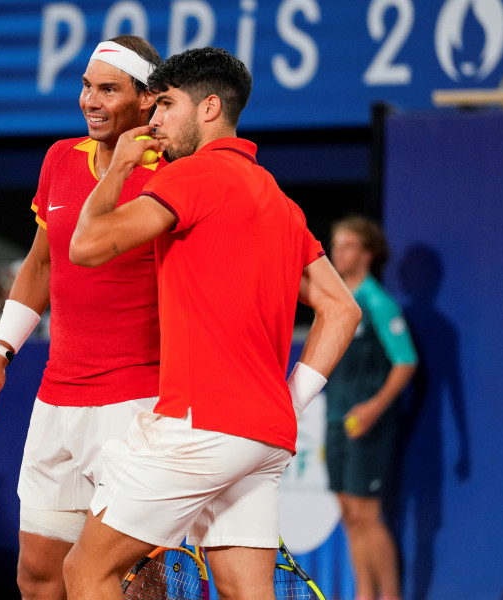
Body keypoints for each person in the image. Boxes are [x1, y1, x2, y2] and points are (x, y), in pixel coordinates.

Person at [64, 47, 362, 600]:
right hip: (261, 436)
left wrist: (123, 165)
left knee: (85, 572)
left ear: (209, 108)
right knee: (245, 591)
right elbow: (342, 310)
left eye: (167, 106)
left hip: (199, 426)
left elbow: (84, 246)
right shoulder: (280, 201)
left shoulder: (193, 178)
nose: (152, 121)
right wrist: (287, 400)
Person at [0, 35, 164, 600]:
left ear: (146, 99)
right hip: (58, 398)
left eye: (108, 88)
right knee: (38, 576)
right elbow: (38, 265)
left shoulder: (172, 174)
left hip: (136, 399)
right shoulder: (59, 158)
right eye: (86, 86)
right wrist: (0, 355)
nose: (91, 100)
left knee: (132, 583)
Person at [326, 216, 418, 600]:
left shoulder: (378, 302)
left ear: (366, 254)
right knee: (348, 512)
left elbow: (405, 360)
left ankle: (390, 596)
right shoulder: (336, 301)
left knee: (367, 513)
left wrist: (374, 408)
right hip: (336, 421)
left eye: (347, 246)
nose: (337, 253)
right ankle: (364, 593)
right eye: (335, 244)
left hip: (369, 424)